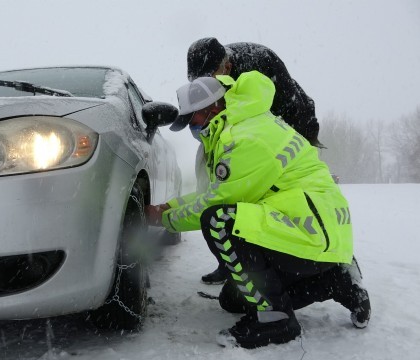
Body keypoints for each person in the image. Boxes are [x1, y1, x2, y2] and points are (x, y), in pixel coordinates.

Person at [146, 72, 370, 348]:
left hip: (308, 230)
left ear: (211, 109)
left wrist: (165, 218)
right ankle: (334, 282)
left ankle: (276, 321)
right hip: (312, 232)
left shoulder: (244, 138)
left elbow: (215, 203)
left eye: (193, 120)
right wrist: (171, 206)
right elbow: (217, 192)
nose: (193, 128)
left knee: (219, 221)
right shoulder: (247, 122)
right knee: (232, 299)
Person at [187, 37, 323, 285]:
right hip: (252, 133)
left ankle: (332, 268)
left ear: (225, 67)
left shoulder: (257, 66)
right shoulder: (215, 74)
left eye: (210, 79)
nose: (207, 86)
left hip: (294, 124)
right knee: (220, 190)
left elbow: (269, 123)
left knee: (282, 203)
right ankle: (229, 263)